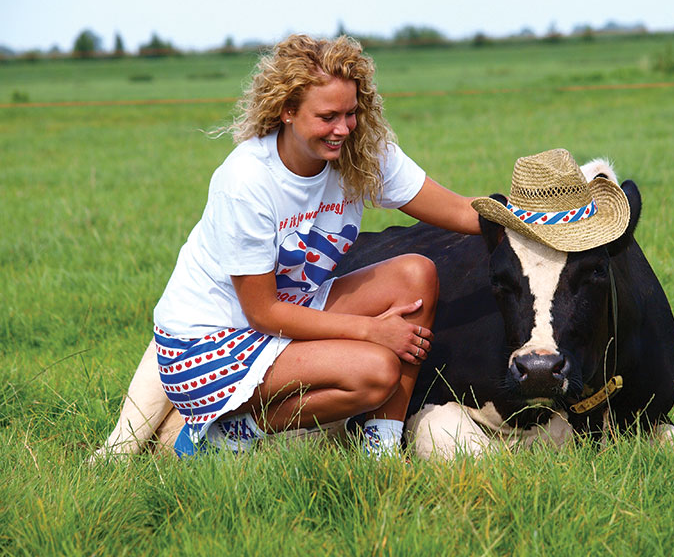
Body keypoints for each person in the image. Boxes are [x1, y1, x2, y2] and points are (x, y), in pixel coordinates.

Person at [153, 34, 480, 458]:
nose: (343, 129)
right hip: (207, 345)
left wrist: (536, 214)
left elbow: (459, 211)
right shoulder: (246, 181)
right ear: (287, 110)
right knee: (376, 370)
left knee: (415, 276)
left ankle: (380, 452)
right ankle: (230, 434)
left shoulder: (360, 153)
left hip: (290, 315)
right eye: (327, 116)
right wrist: (372, 331)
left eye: (351, 113)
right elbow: (262, 312)